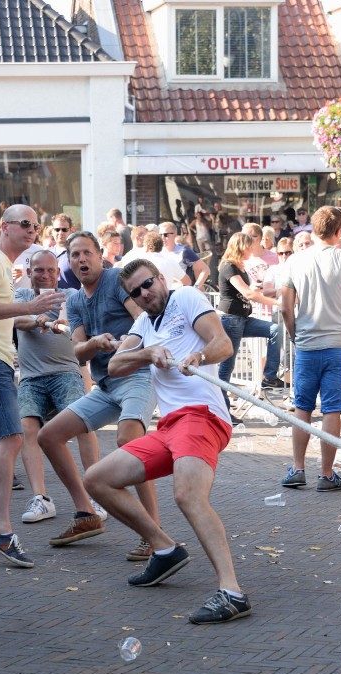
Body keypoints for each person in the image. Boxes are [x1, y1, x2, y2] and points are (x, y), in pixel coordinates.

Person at [83, 259, 251, 623]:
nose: (145, 294)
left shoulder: (187, 297)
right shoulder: (143, 323)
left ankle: (233, 592)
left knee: (187, 495)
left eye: (148, 284)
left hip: (202, 415)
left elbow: (222, 343)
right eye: (136, 292)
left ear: (161, 279)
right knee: (96, 480)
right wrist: (148, 353)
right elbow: (114, 366)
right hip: (169, 427)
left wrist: (200, 355)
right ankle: (164, 549)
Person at [38, 231, 159, 560]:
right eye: (75, 254)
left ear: (100, 254)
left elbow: (144, 319)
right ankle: (86, 511)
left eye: (87, 253)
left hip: (138, 375)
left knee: (129, 443)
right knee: (48, 436)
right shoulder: (75, 300)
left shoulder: (117, 281)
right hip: (106, 386)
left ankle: (153, 535)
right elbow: (79, 353)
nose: (81, 260)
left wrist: (127, 346)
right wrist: (96, 343)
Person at [0, 206, 65, 568]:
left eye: (35, 226)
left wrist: (32, 317)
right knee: (12, 439)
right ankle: (2, 531)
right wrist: (30, 306)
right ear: (4, 226)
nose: (32, 230)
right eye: (25, 224)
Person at [13, 250, 100, 524]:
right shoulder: (24, 297)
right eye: (39, 270)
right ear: (30, 273)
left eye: (51, 270)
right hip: (31, 377)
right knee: (28, 427)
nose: (46, 275)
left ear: (58, 272)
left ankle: (97, 491)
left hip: (66, 373)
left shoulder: (71, 296)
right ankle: (41, 498)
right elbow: (16, 320)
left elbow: (84, 330)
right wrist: (40, 319)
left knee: (83, 424)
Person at [279, 207, 341, 492]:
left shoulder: (294, 261)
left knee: (302, 408)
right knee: (332, 410)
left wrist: (294, 334)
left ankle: (297, 468)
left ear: (312, 230)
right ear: (340, 230)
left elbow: (285, 308)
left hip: (307, 344)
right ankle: (326, 474)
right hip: (337, 343)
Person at [217, 232, 283, 411]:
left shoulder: (241, 266)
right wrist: (276, 302)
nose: (252, 249)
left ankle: (269, 376)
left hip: (243, 319)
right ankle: (222, 410)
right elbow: (247, 294)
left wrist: (255, 289)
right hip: (231, 320)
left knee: (275, 329)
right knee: (226, 367)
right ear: (241, 247)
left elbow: (246, 291)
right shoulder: (229, 266)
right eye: (249, 246)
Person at [160, 222, 210, 290]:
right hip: (164, 294)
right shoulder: (159, 252)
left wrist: (195, 287)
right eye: (160, 235)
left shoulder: (184, 251)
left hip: (181, 293)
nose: (163, 237)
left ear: (174, 235)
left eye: (166, 235)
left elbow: (205, 269)